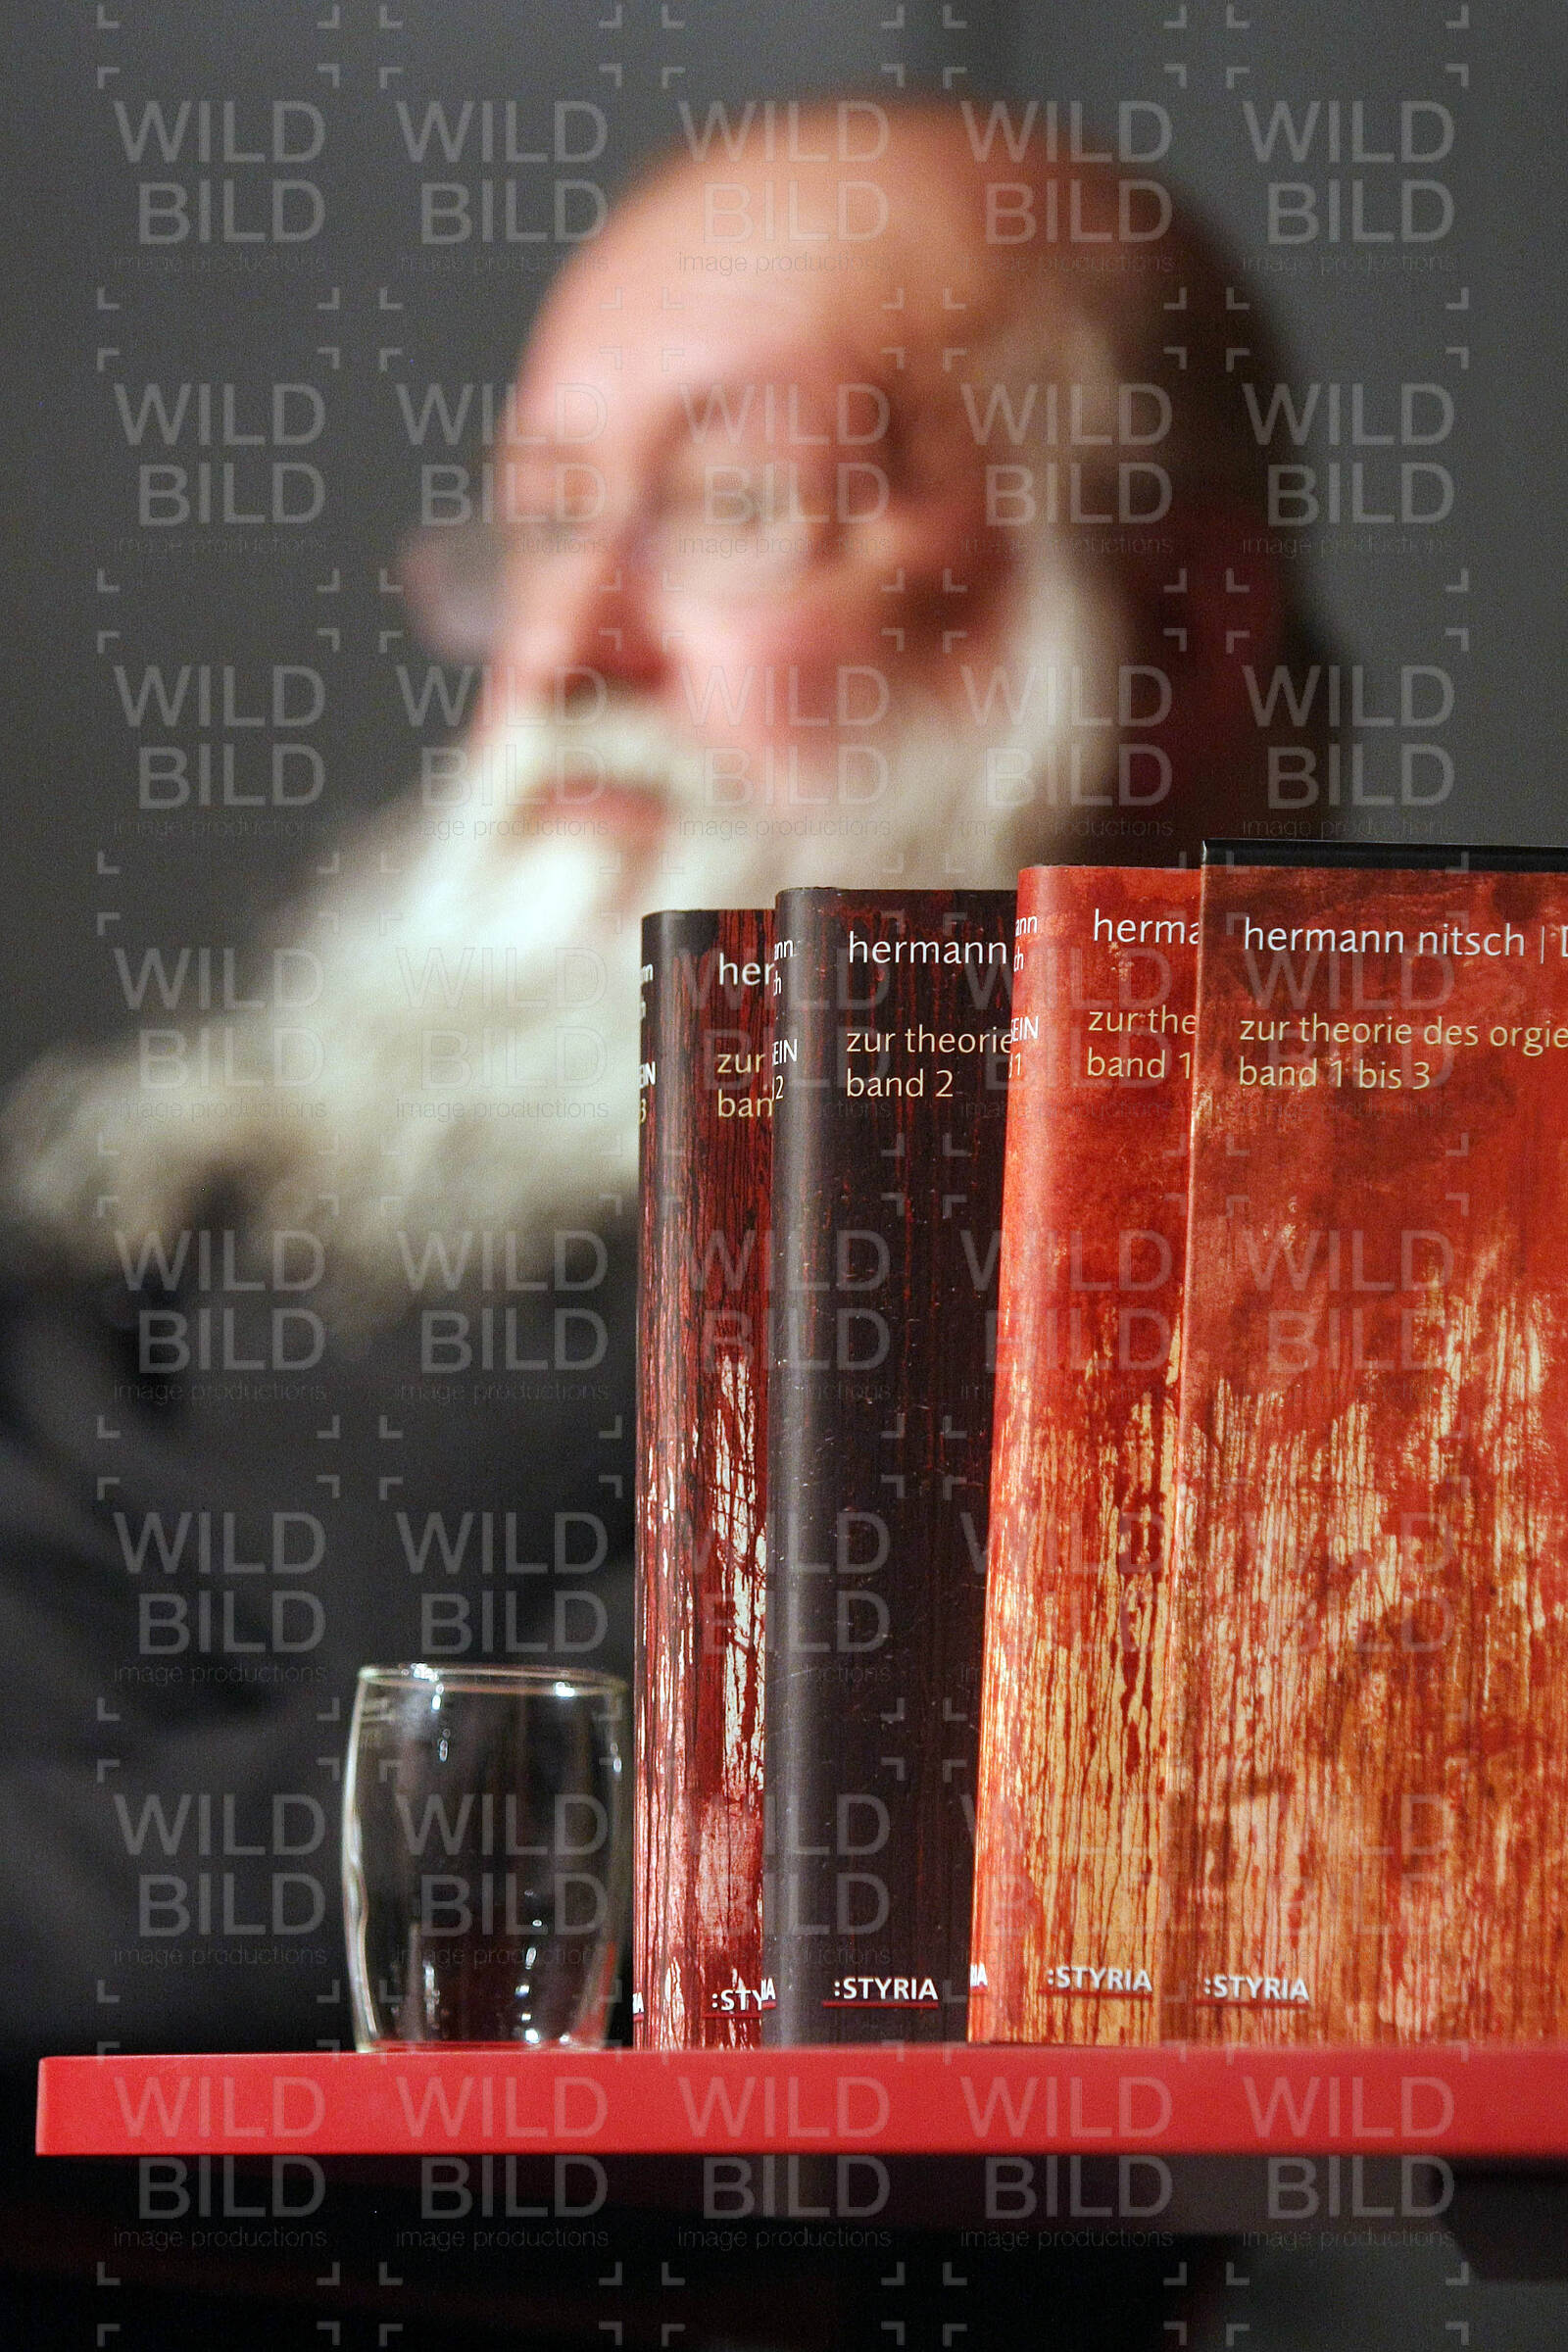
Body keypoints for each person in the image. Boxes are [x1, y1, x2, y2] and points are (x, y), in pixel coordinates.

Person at [0, 101, 1324, 2069]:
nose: (567, 648)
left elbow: (795, 1808)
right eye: (539, 524)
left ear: (1177, 640)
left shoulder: (1344, 1256)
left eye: (738, 503)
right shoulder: (158, 1258)